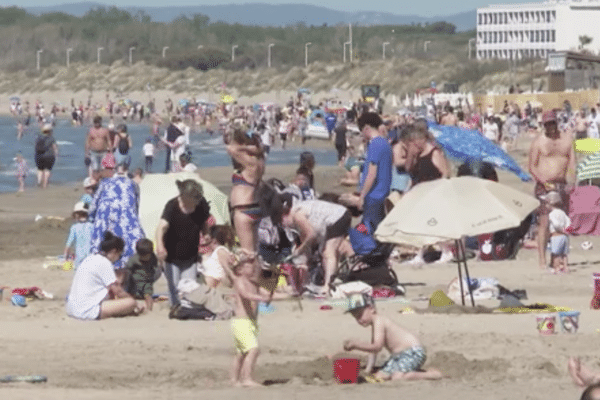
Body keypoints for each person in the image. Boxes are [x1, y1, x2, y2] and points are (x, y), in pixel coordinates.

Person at [343, 292, 443, 382]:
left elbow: (377, 346)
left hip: (413, 352)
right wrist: (368, 369)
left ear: (371, 309)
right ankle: (412, 371)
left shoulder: (379, 321)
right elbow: (373, 352)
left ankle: (432, 375)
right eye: (356, 317)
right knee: (380, 376)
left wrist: (356, 345)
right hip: (398, 357)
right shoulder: (375, 324)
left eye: (360, 315)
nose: (359, 320)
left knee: (397, 378)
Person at [528, 110, 576, 270]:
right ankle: (542, 260)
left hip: (562, 184)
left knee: (561, 223)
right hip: (544, 184)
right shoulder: (539, 142)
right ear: (543, 125)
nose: (550, 127)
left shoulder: (567, 140)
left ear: (556, 123)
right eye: (547, 124)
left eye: (552, 123)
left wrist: (572, 181)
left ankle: (560, 259)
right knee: (544, 222)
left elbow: (572, 163)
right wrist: (543, 181)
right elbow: (532, 166)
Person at [155, 179, 211, 307]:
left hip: (191, 254)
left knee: (189, 286)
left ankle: (187, 309)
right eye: (194, 199)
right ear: (185, 196)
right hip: (171, 254)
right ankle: (175, 309)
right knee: (173, 286)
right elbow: (161, 227)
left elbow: (204, 222)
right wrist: (160, 246)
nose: (196, 201)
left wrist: (206, 234)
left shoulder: (201, 204)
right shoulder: (172, 206)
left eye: (198, 198)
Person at [281, 196, 352, 296]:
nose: (284, 226)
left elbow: (311, 235)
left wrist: (299, 250)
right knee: (325, 253)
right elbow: (305, 243)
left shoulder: (297, 215)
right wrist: (302, 262)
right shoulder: (297, 221)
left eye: (282, 222)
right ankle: (307, 285)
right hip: (334, 218)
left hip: (338, 216)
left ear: (284, 215)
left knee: (328, 252)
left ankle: (328, 287)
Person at [66, 231, 142, 320]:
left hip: (72, 308)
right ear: (114, 252)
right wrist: (135, 302)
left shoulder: (90, 258)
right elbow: (118, 291)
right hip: (87, 311)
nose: (118, 258)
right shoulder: (104, 263)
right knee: (131, 303)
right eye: (119, 255)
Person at [89, 154, 146, 272]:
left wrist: (91, 219)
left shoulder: (104, 184)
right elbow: (136, 206)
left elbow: (93, 207)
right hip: (128, 224)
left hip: (106, 223)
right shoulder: (133, 184)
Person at [230, 254, 276, 387]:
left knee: (241, 353)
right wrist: (261, 298)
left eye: (253, 264)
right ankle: (247, 379)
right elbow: (245, 294)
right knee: (253, 350)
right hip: (241, 322)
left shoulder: (253, 283)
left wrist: (290, 295)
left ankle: (234, 379)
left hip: (250, 323)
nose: (253, 267)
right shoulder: (239, 281)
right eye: (249, 265)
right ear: (239, 269)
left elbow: (266, 294)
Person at [227, 129, 265, 256]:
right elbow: (260, 149)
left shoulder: (250, 162)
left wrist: (242, 145)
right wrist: (253, 148)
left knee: (248, 254)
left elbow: (231, 149)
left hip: (243, 210)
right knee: (254, 252)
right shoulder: (259, 161)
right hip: (254, 207)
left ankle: (252, 276)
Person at [357, 112, 392, 232]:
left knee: (369, 229)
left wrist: (362, 196)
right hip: (382, 193)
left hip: (373, 195)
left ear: (366, 128)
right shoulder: (385, 143)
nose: (361, 134)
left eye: (361, 131)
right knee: (373, 227)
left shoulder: (375, 145)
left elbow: (372, 174)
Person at [124, 238, 160, 312]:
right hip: (134, 281)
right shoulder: (134, 259)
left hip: (147, 280)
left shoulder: (153, 258)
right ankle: (132, 308)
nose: (144, 258)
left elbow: (156, 266)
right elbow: (127, 269)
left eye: (146, 256)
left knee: (148, 295)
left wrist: (154, 274)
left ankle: (149, 310)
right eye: (142, 256)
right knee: (131, 295)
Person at [543, 191, 571, 274]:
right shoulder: (563, 213)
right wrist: (566, 229)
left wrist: (559, 229)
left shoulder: (551, 214)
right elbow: (568, 222)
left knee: (555, 254)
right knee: (564, 254)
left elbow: (555, 224)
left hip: (556, 235)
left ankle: (556, 268)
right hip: (565, 236)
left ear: (550, 204)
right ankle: (565, 267)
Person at [64, 201, 93, 269]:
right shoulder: (92, 226)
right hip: (90, 258)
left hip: (79, 259)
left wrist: (66, 258)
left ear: (77, 214)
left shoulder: (74, 227)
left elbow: (68, 245)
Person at [34, 123, 58, 189]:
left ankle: (39, 182)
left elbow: (36, 146)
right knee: (47, 170)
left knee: (40, 169)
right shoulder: (51, 138)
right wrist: (56, 155)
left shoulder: (38, 137)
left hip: (39, 155)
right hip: (49, 156)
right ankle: (45, 184)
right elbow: (54, 147)